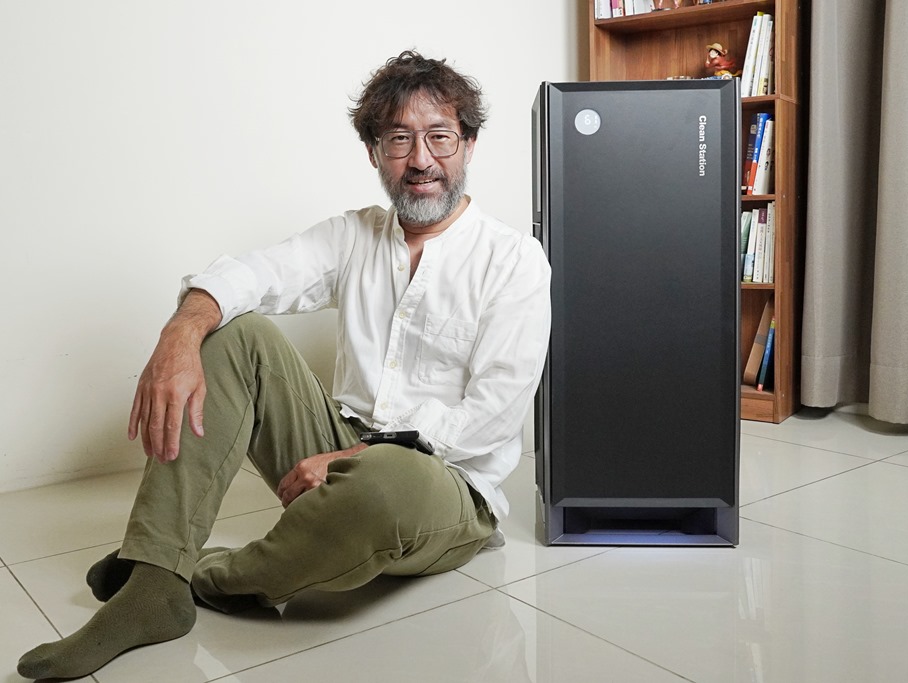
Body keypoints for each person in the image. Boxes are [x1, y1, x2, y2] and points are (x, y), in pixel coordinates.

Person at [18, 50, 551, 680]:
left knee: (385, 484)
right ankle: (155, 582)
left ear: (469, 144)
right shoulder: (353, 234)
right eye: (398, 139)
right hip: (338, 445)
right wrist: (181, 331)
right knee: (232, 330)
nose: (421, 159)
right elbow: (258, 274)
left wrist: (358, 458)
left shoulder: (514, 260)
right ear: (373, 152)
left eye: (440, 137)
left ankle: (204, 573)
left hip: (444, 483)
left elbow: (492, 418)